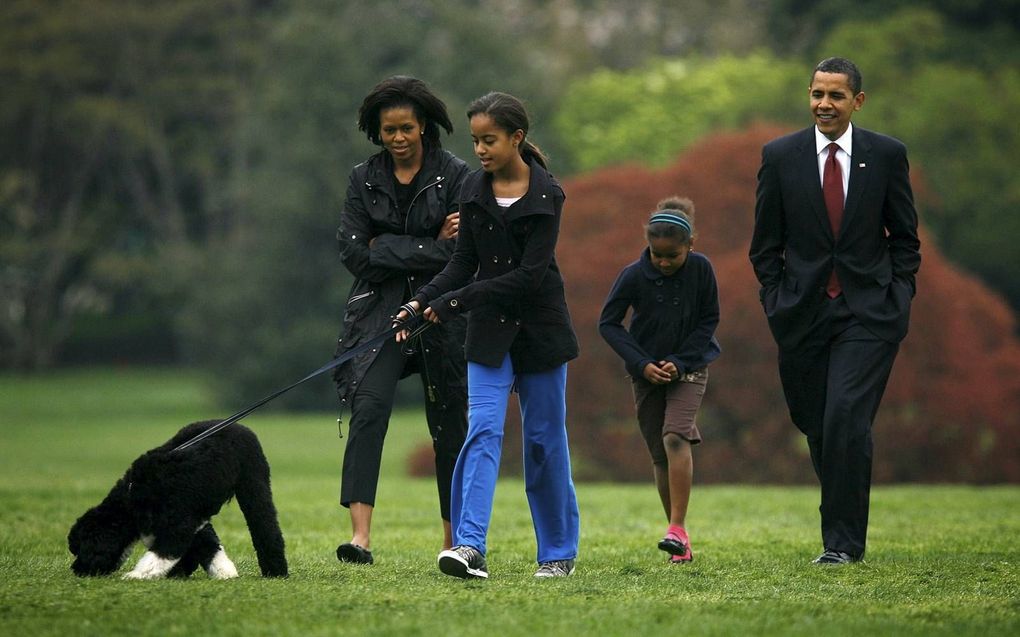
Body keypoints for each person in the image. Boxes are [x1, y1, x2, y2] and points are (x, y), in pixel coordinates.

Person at [394, 92, 580, 579]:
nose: (479, 149)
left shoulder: (547, 195)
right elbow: (461, 262)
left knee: (543, 442)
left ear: (516, 138)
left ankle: (557, 554)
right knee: (481, 432)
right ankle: (469, 546)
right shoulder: (473, 191)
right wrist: (419, 302)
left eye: (489, 140)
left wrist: (453, 302)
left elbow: (530, 277)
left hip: (540, 332)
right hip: (489, 336)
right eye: (475, 140)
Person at [749, 57, 921, 564]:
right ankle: (841, 522)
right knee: (818, 423)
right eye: (817, 94)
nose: (824, 104)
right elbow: (765, 245)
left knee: (846, 417)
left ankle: (841, 545)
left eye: (836, 96)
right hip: (801, 313)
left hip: (869, 313)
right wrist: (775, 298)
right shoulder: (780, 156)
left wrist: (899, 293)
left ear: (857, 101)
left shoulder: (887, 155)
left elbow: (906, 239)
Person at [332, 76, 469, 565]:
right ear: (376, 131)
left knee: (450, 422)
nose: (397, 138)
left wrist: (385, 245)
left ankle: (454, 540)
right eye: (388, 130)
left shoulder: (456, 175)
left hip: (441, 313)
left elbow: (462, 252)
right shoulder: (361, 178)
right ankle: (359, 538)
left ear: (424, 126)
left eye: (406, 128)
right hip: (378, 316)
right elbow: (353, 252)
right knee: (368, 411)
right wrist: (430, 243)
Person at [599, 197, 721, 564]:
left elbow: (708, 320)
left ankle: (677, 528)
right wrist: (641, 363)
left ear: (690, 246)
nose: (664, 263)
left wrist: (680, 362)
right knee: (659, 453)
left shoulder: (701, 270)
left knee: (675, 435)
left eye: (673, 256)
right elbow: (608, 323)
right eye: (658, 255)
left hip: (691, 367)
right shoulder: (633, 274)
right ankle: (679, 541)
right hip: (645, 372)